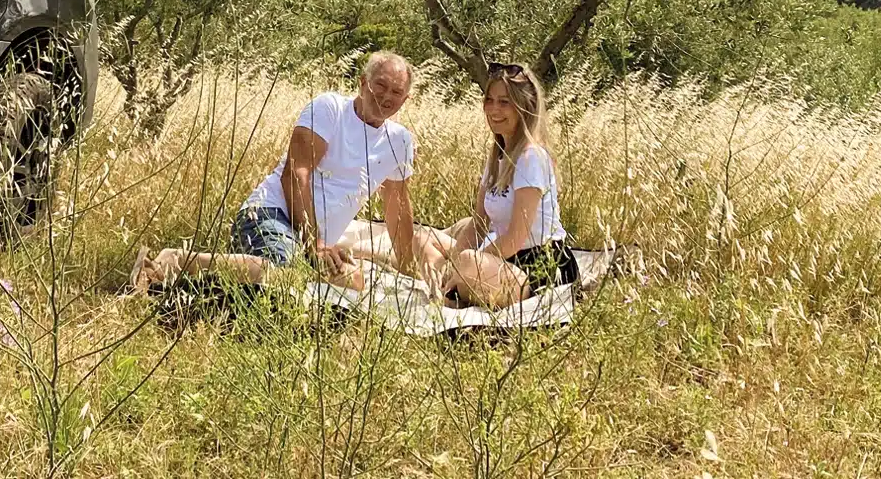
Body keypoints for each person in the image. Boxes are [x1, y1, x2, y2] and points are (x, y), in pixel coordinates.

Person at [130, 51, 424, 292]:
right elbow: (296, 174)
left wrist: (410, 270)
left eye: (396, 92)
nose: (386, 96)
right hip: (272, 215)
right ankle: (174, 261)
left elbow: (397, 204)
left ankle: (241, 271)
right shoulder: (330, 109)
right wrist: (316, 242)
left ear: (405, 99)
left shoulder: (399, 141)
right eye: (380, 85)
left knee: (353, 283)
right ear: (362, 82)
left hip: (317, 243)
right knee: (285, 277)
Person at [415, 62, 577, 309]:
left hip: (541, 267)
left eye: (504, 102)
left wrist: (465, 264)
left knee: (469, 262)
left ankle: (456, 293)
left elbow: (515, 238)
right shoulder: (497, 158)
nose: (494, 109)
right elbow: (478, 224)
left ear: (524, 107)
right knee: (425, 239)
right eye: (489, 100)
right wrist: (454, 265)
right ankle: (449, 291)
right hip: (502, 262)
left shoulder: (531, 157)